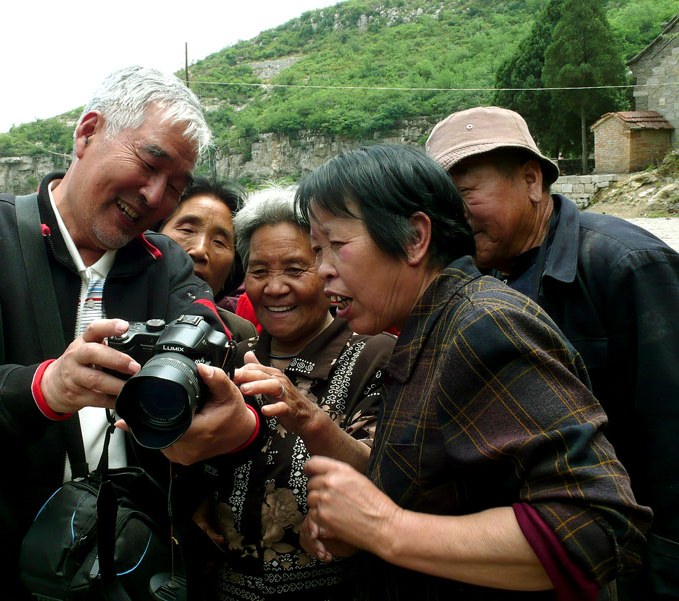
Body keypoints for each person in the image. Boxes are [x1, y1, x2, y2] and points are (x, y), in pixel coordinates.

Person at [0, 66, 253, 601]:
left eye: (176, 186)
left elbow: (215, 354)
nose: (155, 196)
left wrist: (229, 423)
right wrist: (45, 389)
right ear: (87, 133)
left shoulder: (165, 264)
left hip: (124, 566)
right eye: (150, 162)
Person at [277, 144, 650, 600]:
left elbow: (597, 526)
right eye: (317, 250)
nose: (322, 271)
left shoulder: (483, 324)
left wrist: (388, 529)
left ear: (415, 237)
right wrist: (354, 517)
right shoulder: (430, 327)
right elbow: (438, 485)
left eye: (336, 245)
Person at [426, 106, 679, 600]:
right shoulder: (472, 280)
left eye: (466, 194)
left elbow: (671, 437)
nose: (453, 218)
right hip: (542, 558)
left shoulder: (626, 265)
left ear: (531, 180)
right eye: (441, 203)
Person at [195, 186, 396, 600]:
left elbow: (388, 475)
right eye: (259, 270)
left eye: (294, 268)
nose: (274, 287)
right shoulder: (228, 358)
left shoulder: (376, 355)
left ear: (326, 269)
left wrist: (309, 419)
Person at [160, 175, 257, 341]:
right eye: (187, 230)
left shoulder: (240, 337)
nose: (200, 250)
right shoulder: (106, 306)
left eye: (219, 242)